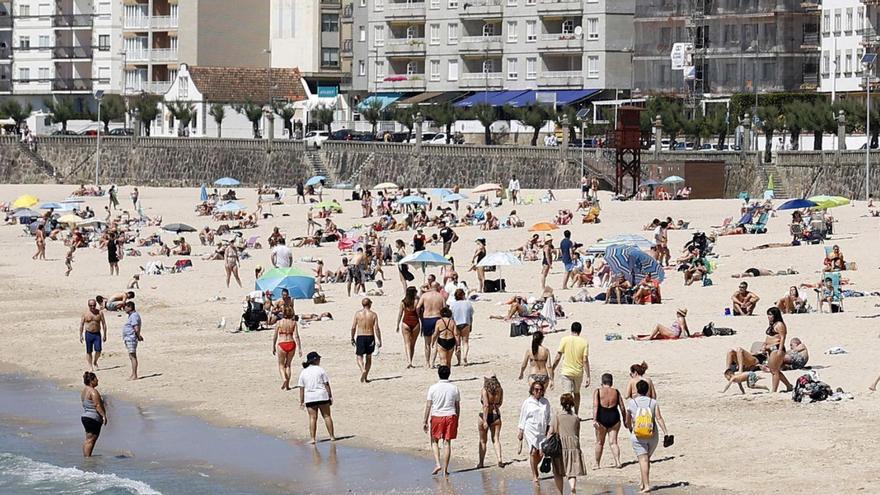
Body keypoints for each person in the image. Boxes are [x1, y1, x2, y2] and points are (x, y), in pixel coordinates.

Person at [626, 380, 669, 494]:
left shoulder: (632, 403)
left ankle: (646, 485)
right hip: (652, 434)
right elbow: (659, 418)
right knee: (646, 460)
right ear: (648, 390)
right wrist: (666, 432)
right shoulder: (653, 402)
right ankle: (643, 482)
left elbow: (628, 420)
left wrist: (630, 428)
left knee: (643, 460)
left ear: (637, 390)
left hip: (638, 434)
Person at [424, 365, 461, 477]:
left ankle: (437, 463)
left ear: (438, 374)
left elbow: (428, 405)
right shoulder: (454, 388)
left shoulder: (433, 388)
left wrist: (425, 421)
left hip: (437, 416)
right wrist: (457, 418)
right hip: (451, 415)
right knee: (447, 442)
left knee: (434, 440)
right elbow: (457, 405)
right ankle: (445, 470)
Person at [549, 393, 587, 494]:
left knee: (558, 472)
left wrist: (546, 444)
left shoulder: (557, 415)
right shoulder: (575, 417)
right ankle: (572, 487)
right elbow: (577, 432)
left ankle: (560, 493)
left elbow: (551, 431)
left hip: (560, 445)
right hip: (573, 445)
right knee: (572, 471)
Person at [551, 322, 591, 414]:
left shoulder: (564, 340)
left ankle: (567, 412)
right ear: (580, 331)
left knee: (567, 395)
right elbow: (585, 360)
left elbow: (558, 356)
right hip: (578, 372)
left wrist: (553, 368)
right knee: (576, 393)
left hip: (566, 371)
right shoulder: (584, 342)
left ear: (571, 329)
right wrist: (588, 375)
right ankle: (576, 413)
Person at [517, 380, 552, 483]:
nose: (538, 391)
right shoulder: (527, 402)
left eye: (540, 390)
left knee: (541, 453)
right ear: (532, 390)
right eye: (536, 389)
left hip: (542, 430)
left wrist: (549, 429)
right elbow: (523, 417)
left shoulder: (545, 402)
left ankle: (534, 467)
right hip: (530, 429)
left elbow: (549, 416)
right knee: (533, 452)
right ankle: (534, 475)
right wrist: (521, 430)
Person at [298, 351, 336, 444]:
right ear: (315, 360)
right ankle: (331, 436)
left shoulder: (303, 372)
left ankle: (313, 439)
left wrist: (302, 401)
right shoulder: (320, 370)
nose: (319, 360)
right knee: (327, 416)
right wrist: (330, 396)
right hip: (322, 396)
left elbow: (301, 388)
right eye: (318, 359)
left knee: (312, 418)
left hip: (310, 397)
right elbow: (326, 384)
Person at [593, 373, 627, 469]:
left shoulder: (598, 391)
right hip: (614, 417)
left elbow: (595, 406)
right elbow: (622, 407)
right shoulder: (616, 391)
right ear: (611, 382)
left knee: (600, 442)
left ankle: (597, 464)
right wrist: (625, 419)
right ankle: (618, 462)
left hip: (601, 418)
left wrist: (594, 420)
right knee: (613, 442)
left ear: (602, 382)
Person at [350, 297, 382, 383]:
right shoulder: (373, 314)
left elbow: (353, 327)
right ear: (370, 304)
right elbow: (377, 328)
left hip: (360, 336)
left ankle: (362, 369)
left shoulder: (357, 314)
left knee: (359, 356)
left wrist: (352, 337)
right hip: (370, 336)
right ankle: (366, 376)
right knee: (368, 357)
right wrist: (379, 339)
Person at [477, 375, 504, 469]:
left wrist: (484, 420)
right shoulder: (500, 389)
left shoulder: (484, 390)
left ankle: (481, 463)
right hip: (496, 414)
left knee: (483, 440)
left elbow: (485, 405)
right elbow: (500, 403)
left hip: (484, 415)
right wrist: (495, 406)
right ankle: (500, 459)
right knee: (496, 438)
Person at [764, 307, 793, 393]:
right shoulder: (773, 324)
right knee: (774, 369)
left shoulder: (780, 324)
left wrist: (780, 350)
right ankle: (788, 385)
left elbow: (783, 337)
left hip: (777, 348)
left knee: (774, 371)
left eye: (770, 314)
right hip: (771, 349)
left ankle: (774, 390)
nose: (768, 316)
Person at [273, 307, 302, 390]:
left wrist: (273, 346)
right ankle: (288, 385)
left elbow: (275, 335)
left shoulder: (279, 322)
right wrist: (300, 348)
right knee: (288, 365)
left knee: (281, 364)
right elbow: (296, 336)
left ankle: (284, 379)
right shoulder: (293, 323)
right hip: (291, 343)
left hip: (282, 343)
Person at [417, 283, 445, 368]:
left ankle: (427, 362)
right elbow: (445, 308)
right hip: (437, 318)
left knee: (427, 343)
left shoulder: (425, 295)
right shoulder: (440, 296)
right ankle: (432, 362)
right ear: (437, 287)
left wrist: (420, 316)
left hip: (427, 318)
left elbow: (418, 307)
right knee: (436, 343)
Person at [80, 371, 107, 457]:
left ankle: (86, 457)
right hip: (93, 418)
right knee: (91, 440)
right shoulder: (93, 391)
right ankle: (88, 459)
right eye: (96, 379)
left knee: (88, 439)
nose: (97, 380)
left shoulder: (84, 391)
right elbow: (97, 405)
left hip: (86, 416)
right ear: (92, 381)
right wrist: (104, 416)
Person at [79, 299, 107, 372]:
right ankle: (90, 366)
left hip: (97, 334)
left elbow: (104, 324)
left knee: (98, 350)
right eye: (91, 306)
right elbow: (81, 325)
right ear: (88, 306)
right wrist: (81, 335)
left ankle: (95, 361)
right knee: (89, 351)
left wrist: (105, 334)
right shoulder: (85, 314)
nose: (92, 307)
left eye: (94, 305)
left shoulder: (100, 313)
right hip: (88, 333)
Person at [396, 286, 421, 368]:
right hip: (415, 322)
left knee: (407, 343)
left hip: (405, 322)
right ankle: (411, 360)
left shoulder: (403, 302)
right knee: (412, 344)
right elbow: (419, 313)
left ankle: (409, 361)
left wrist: (397, 324)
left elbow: (400, 314)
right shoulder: (417, 301)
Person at [449, 288, 474, 366]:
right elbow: (471, 315)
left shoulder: (452, 304)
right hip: (466, 323)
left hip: (456, 324)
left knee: (457, 343)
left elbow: (451, 316)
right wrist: (471, 325)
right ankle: (465, 357)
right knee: (465, 342)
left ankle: (459, 361)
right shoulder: (468, 303)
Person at [121, 301, 142, 380]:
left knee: (133, 356)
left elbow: (136, 327)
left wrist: (138, 336)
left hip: (131, 338)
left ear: (130, 307)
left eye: (125, 307)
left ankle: (134, 374)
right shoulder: (132, 316)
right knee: (131, 356)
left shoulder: (133, 316)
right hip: (130, 338)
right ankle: (133, 374)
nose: (124, 309)